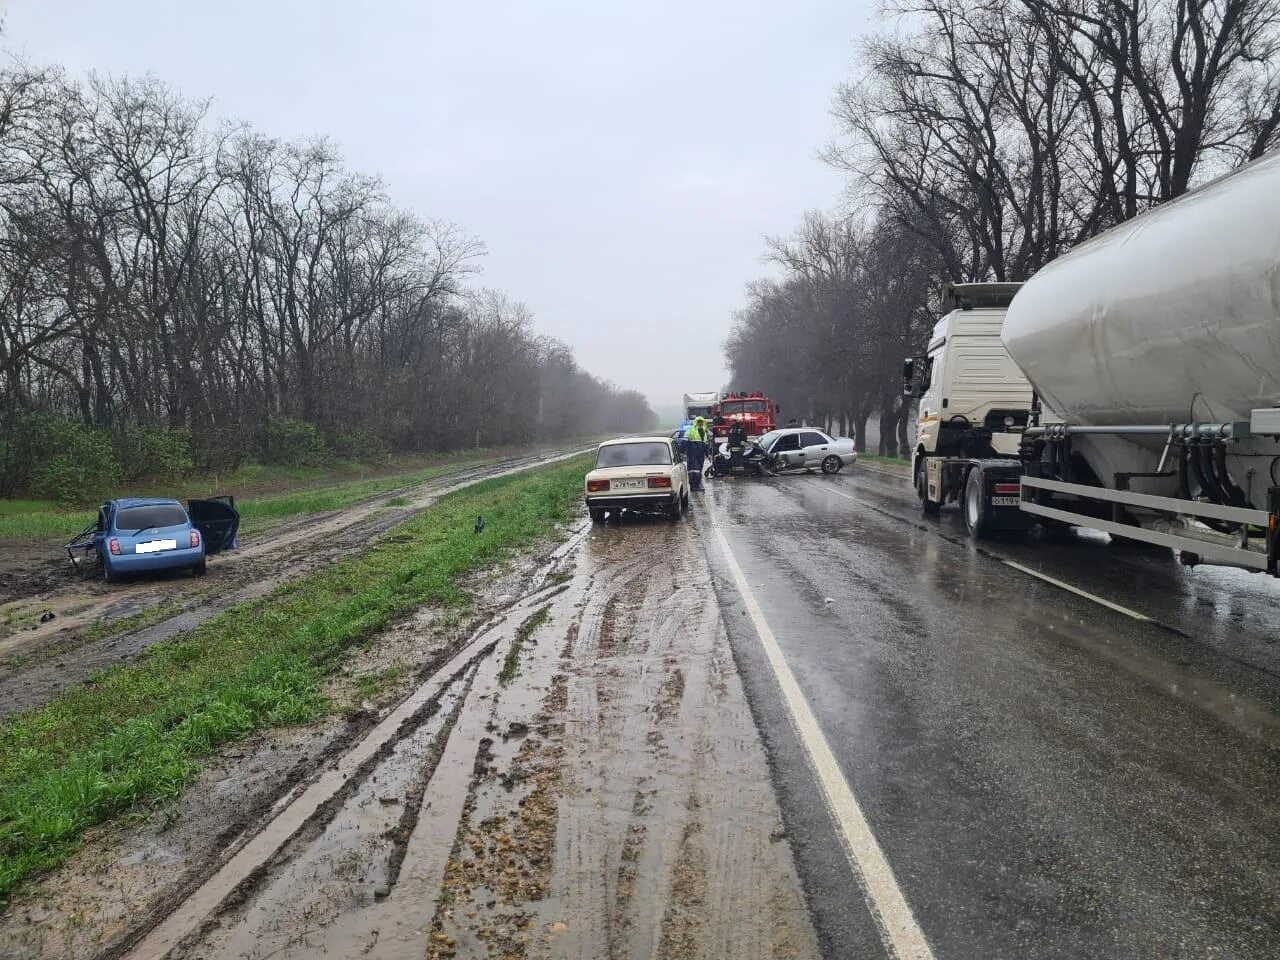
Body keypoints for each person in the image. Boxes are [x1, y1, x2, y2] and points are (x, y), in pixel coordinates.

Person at [683, 416, 711, 490]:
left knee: (699, 469)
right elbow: (684, 441)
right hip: (692, 454)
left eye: (701, 422)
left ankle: (697, 485)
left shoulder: (704, 432)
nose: (700, 424)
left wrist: (708, 454)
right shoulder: (690, 430)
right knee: (694, 469)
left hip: (700, 455)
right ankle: (694, 486)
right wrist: (683, 451)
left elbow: (706, 444)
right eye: (699, 422)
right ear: (696, 422)